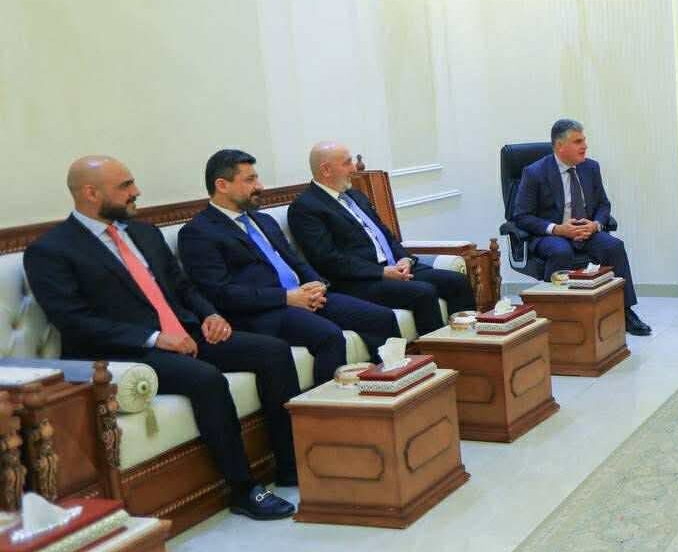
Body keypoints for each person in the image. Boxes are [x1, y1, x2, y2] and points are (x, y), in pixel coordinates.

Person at [23, 156, 297, 520]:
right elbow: (74, 322)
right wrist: (154, 338)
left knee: (273, 352)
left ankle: (289, 465)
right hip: (125, 353)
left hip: (185, 333)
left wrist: (210, 314)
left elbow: (183, 287)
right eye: (125, 186)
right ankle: (243, 489)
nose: (136, 191)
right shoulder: (51, 251)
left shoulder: (143, 233)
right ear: (90, 193)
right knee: (206, 378)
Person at [179, 149, 403, 383]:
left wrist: (316, 283)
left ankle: (391, 385)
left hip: (304, 297)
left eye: (256, 178)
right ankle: (328, 404)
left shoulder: (263, 220)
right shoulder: (199, 233)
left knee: (382, 317)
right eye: (250, 180)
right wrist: (287, 298)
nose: (259, 186)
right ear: (222, 185)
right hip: (263, 311)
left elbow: (294, 261)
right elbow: (221, 293)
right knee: (329, 336)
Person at [288, 142, 474, 335]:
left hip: (395, 268)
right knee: (423, 292)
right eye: (347, 163)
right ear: (326, 170)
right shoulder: (306, 208)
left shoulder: (354, 196)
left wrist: (405, 259)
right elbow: (327, 260)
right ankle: (439, 351)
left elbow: (386, 235)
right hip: (360, 280)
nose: (354, 169)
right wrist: (381, 272)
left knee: (456, 281)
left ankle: (469, 343)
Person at [512, 119, 651, 336]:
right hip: (552, 235)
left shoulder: (590, 167)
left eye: (584, 140)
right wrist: (557, 229)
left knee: (614, 247)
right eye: (578, 142)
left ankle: (625, 311)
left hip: (587, 231)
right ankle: (557, 317)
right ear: (560, 146)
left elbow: (603, 204)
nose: (585, 146)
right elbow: (521, 216)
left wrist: (595, 224)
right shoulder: (535, 173)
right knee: (561, 251)